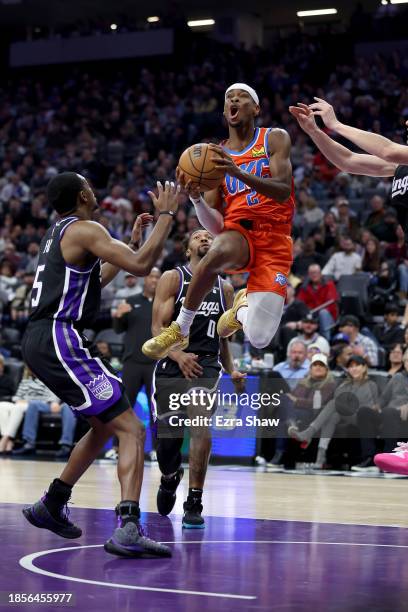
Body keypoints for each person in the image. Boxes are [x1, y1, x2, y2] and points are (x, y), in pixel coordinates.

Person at [21, 172, 180, 558]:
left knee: (105, 426)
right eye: (89, 185)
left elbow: (96, 280)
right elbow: (143, 266)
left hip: (43, 339)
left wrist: (127, 245)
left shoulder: (61, 232)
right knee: (132, 429)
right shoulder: (85, 228)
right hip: (61, 338)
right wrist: (166, 217)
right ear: (82, 194)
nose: (95, 188)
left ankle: (52, 503)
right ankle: (128, 525)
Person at [142, 83, 295, 360]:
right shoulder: (213, 155)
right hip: (239, 233)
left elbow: (283, 190)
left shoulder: (273, 139)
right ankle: (180, 327)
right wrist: (196, 199)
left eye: (242, 96)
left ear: (256, 108)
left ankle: (239, 310)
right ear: (225, 112)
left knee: (260, 339)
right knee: (217, 249)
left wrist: (238, 172)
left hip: (275, 238)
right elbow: (214, 225)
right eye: (228, 98)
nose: (234, 98)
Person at [151, 229, 245, 527]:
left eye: (208, 235)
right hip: (173, 362)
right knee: (168, 440)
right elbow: (157, 328)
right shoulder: (173, 278)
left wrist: (232, 370)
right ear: (186, 247)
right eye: (196, 236)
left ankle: (194, 499)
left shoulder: (225, 288)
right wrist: (178, 355)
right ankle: (169, 477)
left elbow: (224, 338)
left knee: (200, 421)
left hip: (206, 364)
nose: (204, 238)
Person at [289, 355, 380, 470]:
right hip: (345, 416)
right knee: (332, 416)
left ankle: (308, 433)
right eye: (351, 367)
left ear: (364, 368)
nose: (354, 369)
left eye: (357, 365)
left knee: (334, 403)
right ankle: (320, 457)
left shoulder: (371, 385)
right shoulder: (344, 385)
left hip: (362, 417)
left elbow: (370, 407)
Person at [111, 268, 161, 461]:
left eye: (157, 277)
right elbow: (117, 330)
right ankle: (116, 448)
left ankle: (157, 450)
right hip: (132, 362)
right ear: (144, 279)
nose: (154, 280)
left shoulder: (164, 304)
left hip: (155, 364)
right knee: (123, 406)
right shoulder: (130, 302)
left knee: (156, 409)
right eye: (151, 276)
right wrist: (118, 316)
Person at [273, 353, 336, 467]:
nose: (318, 367)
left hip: (315, 415)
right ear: (310, 368)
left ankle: (280, 453)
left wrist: (297, 401)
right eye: (315, 365)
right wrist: (294, 400)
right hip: (297, 412)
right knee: (283, 401)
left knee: (285, 413)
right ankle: (283, 446)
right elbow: (290, 398)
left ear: (326, 370)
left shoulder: (329, 384)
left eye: (321, 366)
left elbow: (316, 404)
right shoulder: (303, 382)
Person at [296, 264, 339, 339]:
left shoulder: (329, 285)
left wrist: (314, 314)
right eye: (311, 273)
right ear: (308, 275)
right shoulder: (304, 288)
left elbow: (331, 305)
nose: (314, 275)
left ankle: (325, 341)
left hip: (327, 318)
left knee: (323, 313)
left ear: (320, 273)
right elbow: (299, 304)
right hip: (310, 317)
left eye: (316, 272)